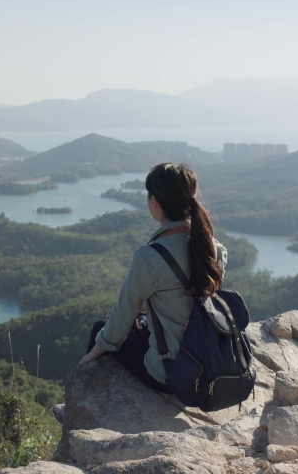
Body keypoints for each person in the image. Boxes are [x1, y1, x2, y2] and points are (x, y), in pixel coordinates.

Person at [53, 162, 227, 423]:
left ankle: (76, 411)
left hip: (171, 374)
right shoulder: (212, 247)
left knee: (101, 327)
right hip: (208, 362)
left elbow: (120, 322)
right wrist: (145, 310)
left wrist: (88, 358)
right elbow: (189, 297)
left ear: (154, 201)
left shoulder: (150, 256)